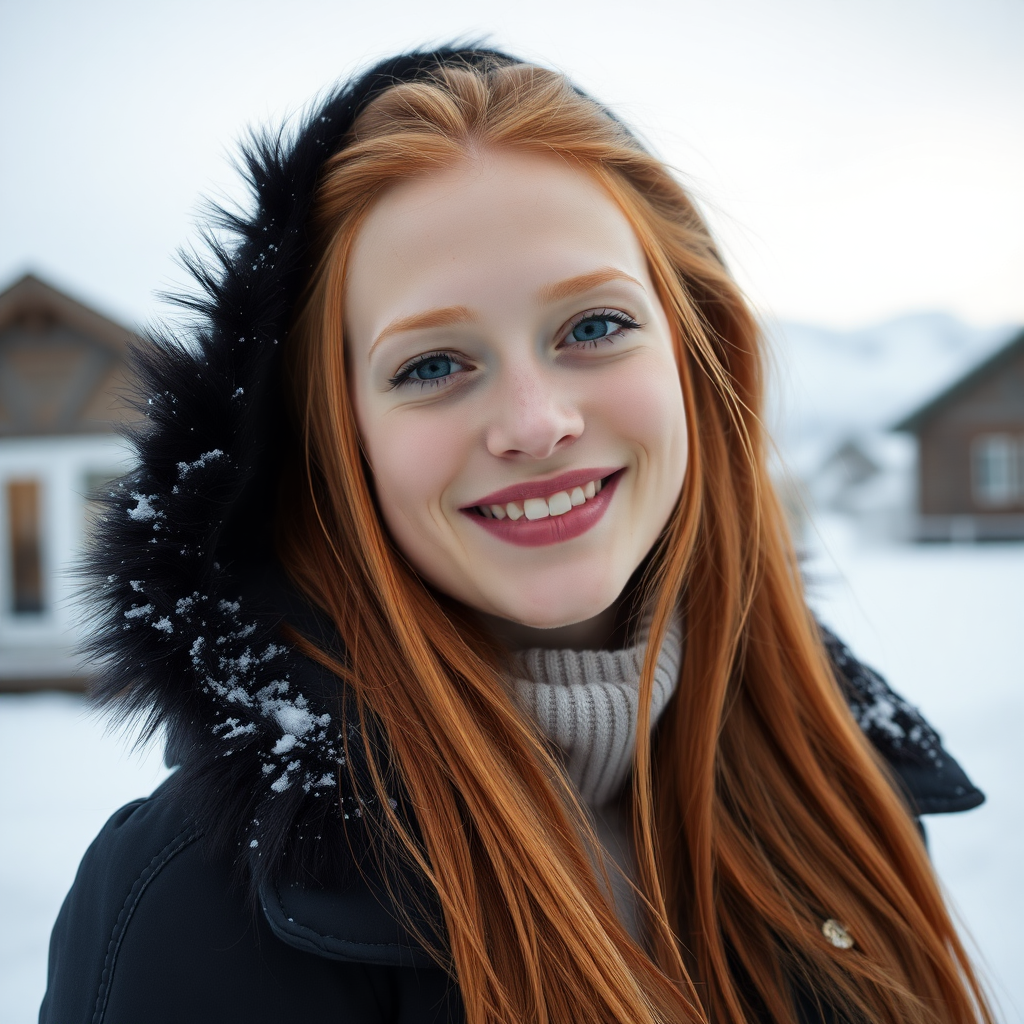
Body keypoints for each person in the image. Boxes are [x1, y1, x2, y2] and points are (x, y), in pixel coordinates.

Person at [40, 47, 991, 1024]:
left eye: (591, 327)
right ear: (329, 447)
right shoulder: (193, 910)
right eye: (432, 364)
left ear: (696, 355)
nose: (537, 423)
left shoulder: (840, 785)